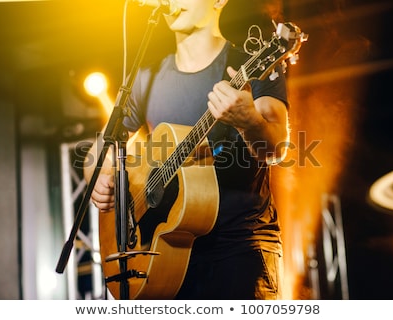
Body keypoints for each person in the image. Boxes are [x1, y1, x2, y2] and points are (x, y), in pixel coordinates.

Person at [85, 0, 290, 299]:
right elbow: (97, 154)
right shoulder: (147, 77)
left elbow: (276, 149)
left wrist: (249, 123)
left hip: (239, 251)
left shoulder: (250, 61)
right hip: (162, 256)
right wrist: (98, 180)